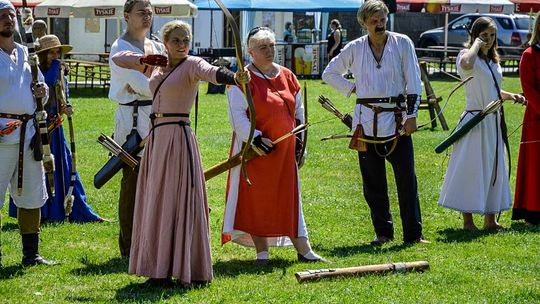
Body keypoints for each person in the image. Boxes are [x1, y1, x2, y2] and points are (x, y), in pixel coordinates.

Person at [112, 20, 246, 286]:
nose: (182, 45)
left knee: (177, 199)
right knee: (156, 200)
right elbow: (118, 58)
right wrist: (145, 59)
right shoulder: (158, 64)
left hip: (177, 137)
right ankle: (157, 269)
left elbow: (212, 73)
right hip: (157, 138)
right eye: (176, 40)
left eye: (186, 40)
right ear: (166, 42)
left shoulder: (192, 65)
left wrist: (234, 77)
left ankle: (182, 266)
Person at [322, 0, 427, 245]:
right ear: (363, 23)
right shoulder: (355, 47)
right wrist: (352, 88)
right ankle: (383, 233)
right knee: (373, 181)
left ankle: (413, 234)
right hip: (366, 122)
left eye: (382, 19)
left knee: (406, 178)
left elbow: (413, 81)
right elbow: (329, 73)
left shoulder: (402, 43)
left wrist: (411, 116)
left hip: (397, 118)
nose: (380, 25)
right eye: (374, 21)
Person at [222, 26, 326, 265]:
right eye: (262, 47)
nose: (269, 51)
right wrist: (255, 138)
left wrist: (300, 143)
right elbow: (237, 115)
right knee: (257, 199)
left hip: (285, 150)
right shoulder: (242, 80)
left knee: (288, 197)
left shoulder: (288, 75)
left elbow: (298, 112)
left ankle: (304, 248)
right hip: (257, 152)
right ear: (250, 52)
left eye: (272, 46)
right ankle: (262, 252)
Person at [438, 17, 525, 230]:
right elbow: (466, 64)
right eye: (484, 35)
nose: (488, 39)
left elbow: (492, 90)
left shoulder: (493, 61)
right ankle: (468, 221)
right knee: (472, 168)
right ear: (476, 34)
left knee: (495, 167)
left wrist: (511, 95)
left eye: (492, 35)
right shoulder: (467, 57)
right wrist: (476, 44)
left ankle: (490, 219)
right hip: (474, 121)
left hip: (493, 121)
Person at [7, 35, 103, 223]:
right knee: (35, 170)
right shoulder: (32, 72)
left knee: (63, 168)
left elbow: (61, 99)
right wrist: (54, 68)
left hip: (55, 129)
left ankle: (74, 210)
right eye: (51, 52)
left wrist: (66, 108)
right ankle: (39, 212)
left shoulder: (59, 73)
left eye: (57, 52)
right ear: (42, 55)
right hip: (37, 129)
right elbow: (44, 87)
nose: (55, 56)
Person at [0, 0, 54, 266]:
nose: (8, 19)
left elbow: (40, 84)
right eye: (2, 16)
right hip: (1, 136)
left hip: (29, 134)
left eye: (11, 15)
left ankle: (31, 255)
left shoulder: (26, 53)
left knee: (32, 196)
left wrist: (41, 91)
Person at [108, 0, 164, 258]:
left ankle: (152, 240)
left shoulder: (157, 45)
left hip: (156, 115)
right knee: (132, 181)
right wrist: (159, 81)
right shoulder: (120, 48)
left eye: (150, 12)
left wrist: (157, 82)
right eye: (141, 12)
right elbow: (145, 85)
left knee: (157, 181)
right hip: (131, 120)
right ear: (127, 16)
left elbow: (164, 77)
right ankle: (129, 247)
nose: (147, 16)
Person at [513, 13, 540, 226]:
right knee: (535, 168)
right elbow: (528, 90)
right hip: (537, 120)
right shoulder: (530, 55)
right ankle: (533, 212)